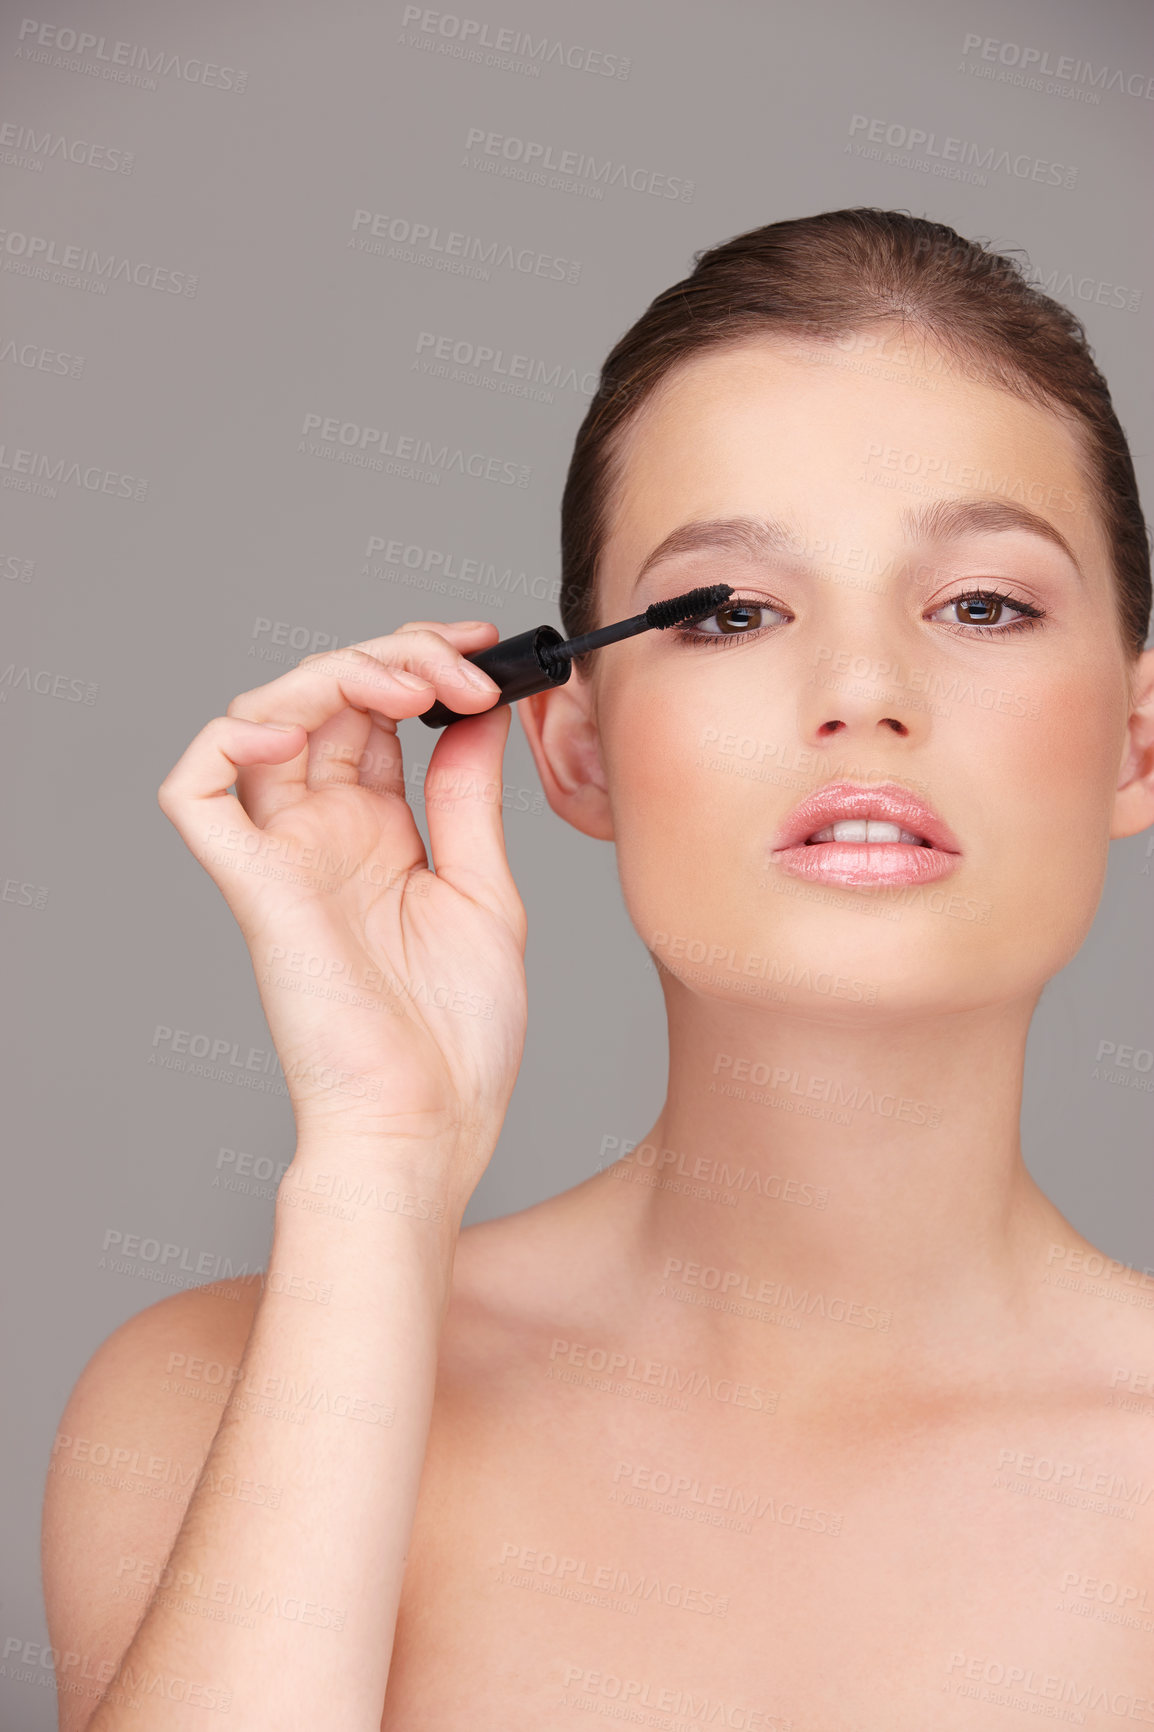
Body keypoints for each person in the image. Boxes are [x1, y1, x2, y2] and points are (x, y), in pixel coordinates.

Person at [42, 208, 1154, 1729]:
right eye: (728, 612)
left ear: (1133, 741)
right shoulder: (205, 1400)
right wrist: (379, 1166)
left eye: (981, 605)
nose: (861, 693)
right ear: (579, 754)